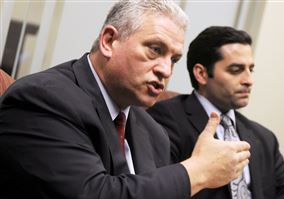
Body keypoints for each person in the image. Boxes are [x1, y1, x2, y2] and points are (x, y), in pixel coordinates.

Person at [0, 2, 251, 199]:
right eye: (155, 49)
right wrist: (198, 171)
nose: (165, 70)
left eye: (173, 60)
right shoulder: (42, 99)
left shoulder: (152, 131)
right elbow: (95, 194)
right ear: (109, 41)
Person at [147, 26, 284, 199]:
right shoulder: (164, 119)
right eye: (236, 70)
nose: (249, 80)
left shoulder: (265, 139)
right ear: (202, 74)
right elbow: (160, 191)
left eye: (251, 69)